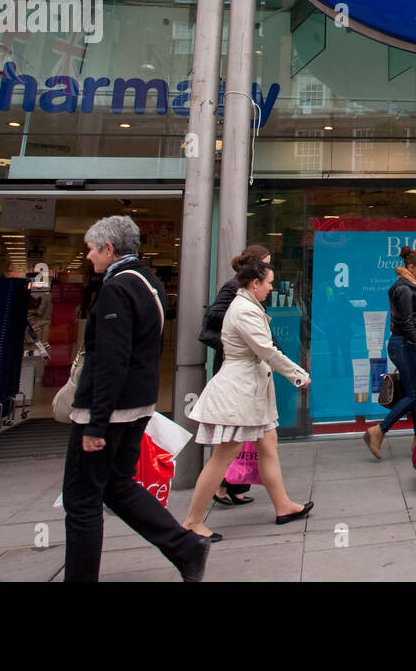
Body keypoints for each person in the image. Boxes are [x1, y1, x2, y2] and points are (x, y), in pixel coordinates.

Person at [63, 216, 209, 582]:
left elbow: (111, 358)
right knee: (118, 485)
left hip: (110, 411)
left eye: (91, 249)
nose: (88, 257)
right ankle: (184, 545)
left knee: (81, 501)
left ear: (109, 249)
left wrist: (96, 422)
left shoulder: (117, 288)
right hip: (138, 404)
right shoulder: (151, 283)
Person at [184, 261, 312, 537]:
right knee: (223, 456)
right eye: (268, 283)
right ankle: (193, 521)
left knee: (268, 445)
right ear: (255, 283)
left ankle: (283, 505)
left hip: (251, 392)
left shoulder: (248, 306)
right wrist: (298, 375)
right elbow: (267, 350)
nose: (271, 288)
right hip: (239, 394)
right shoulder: (244, 310)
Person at [199, 243, 271, 505]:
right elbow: (214, 317)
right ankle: (221, 486)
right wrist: (240, 332)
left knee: (255, 437)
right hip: (236, 365)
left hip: (246, 365)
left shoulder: (247, 291)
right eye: (267, 262)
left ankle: (234, 484)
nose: (270, 270)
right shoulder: (234, 290)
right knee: (237, 435)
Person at [363, 247, 416, 458]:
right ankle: (379, 430)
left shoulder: (410, 285)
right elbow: (407, 323)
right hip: (403, 345)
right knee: (415, 393)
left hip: (405, 344)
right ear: (410, 267)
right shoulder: (403, 288)